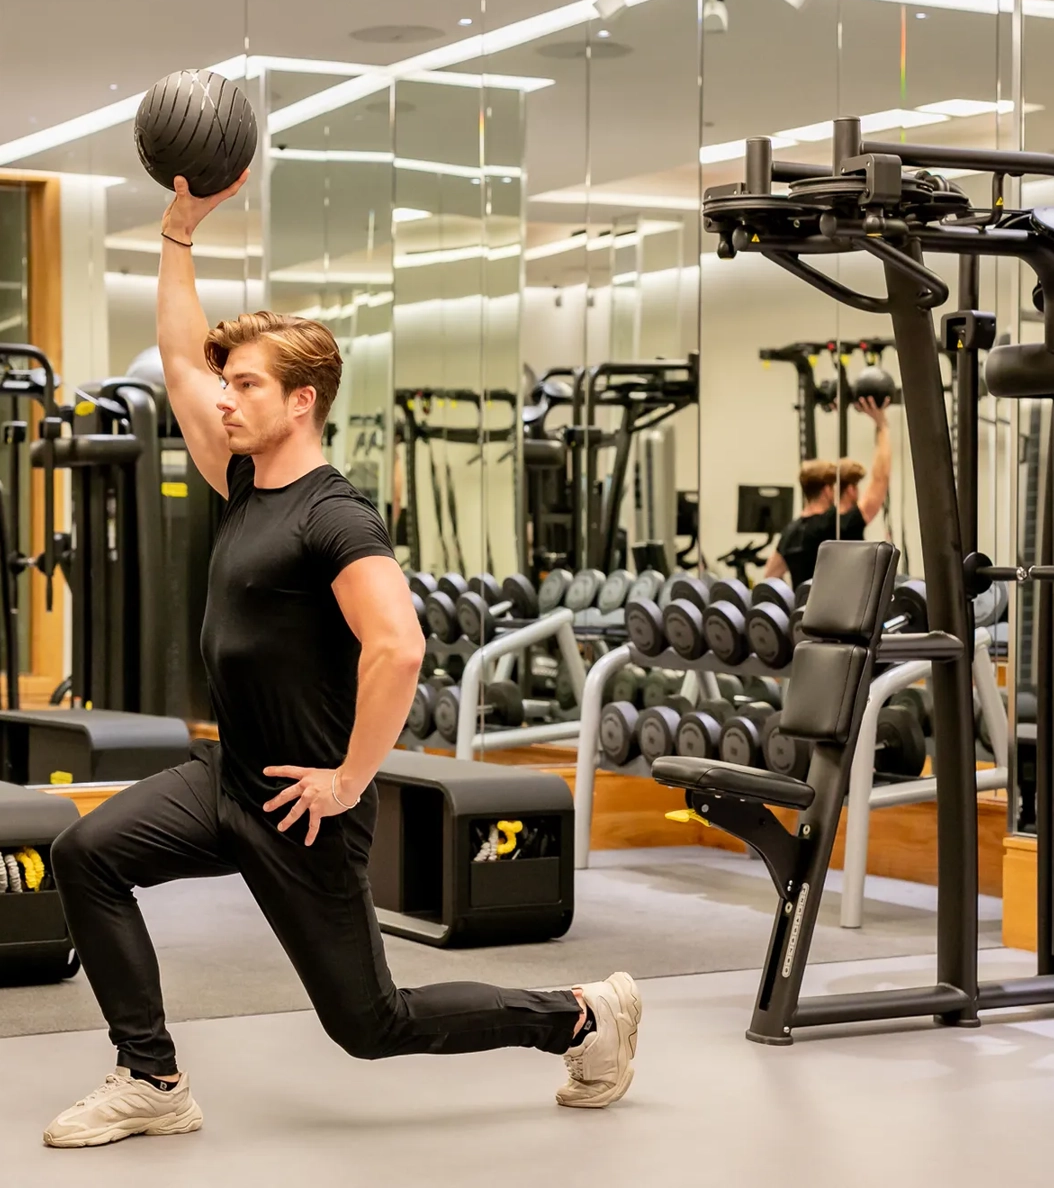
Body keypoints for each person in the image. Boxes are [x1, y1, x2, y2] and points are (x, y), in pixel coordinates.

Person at [43, 172, 640, 1150]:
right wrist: (178, 235)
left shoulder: (334, 514)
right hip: (228, 776)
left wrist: (351, 778)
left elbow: (397, 646)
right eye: (228, 385)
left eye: (247, 386)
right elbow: (180, 359)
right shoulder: (241, 478)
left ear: (302, 401)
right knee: (85, 855)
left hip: (300, 808)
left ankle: (580, 1017)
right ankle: (151, 1077)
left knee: (371, 1023)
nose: (223, 398)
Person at [764, 397, 892, 586]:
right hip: (844, 615)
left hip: (806, 615)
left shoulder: (790, 533)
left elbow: (770, 577)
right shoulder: (837, 524)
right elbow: (880, 480)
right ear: (826, 490)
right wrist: (882, 426)